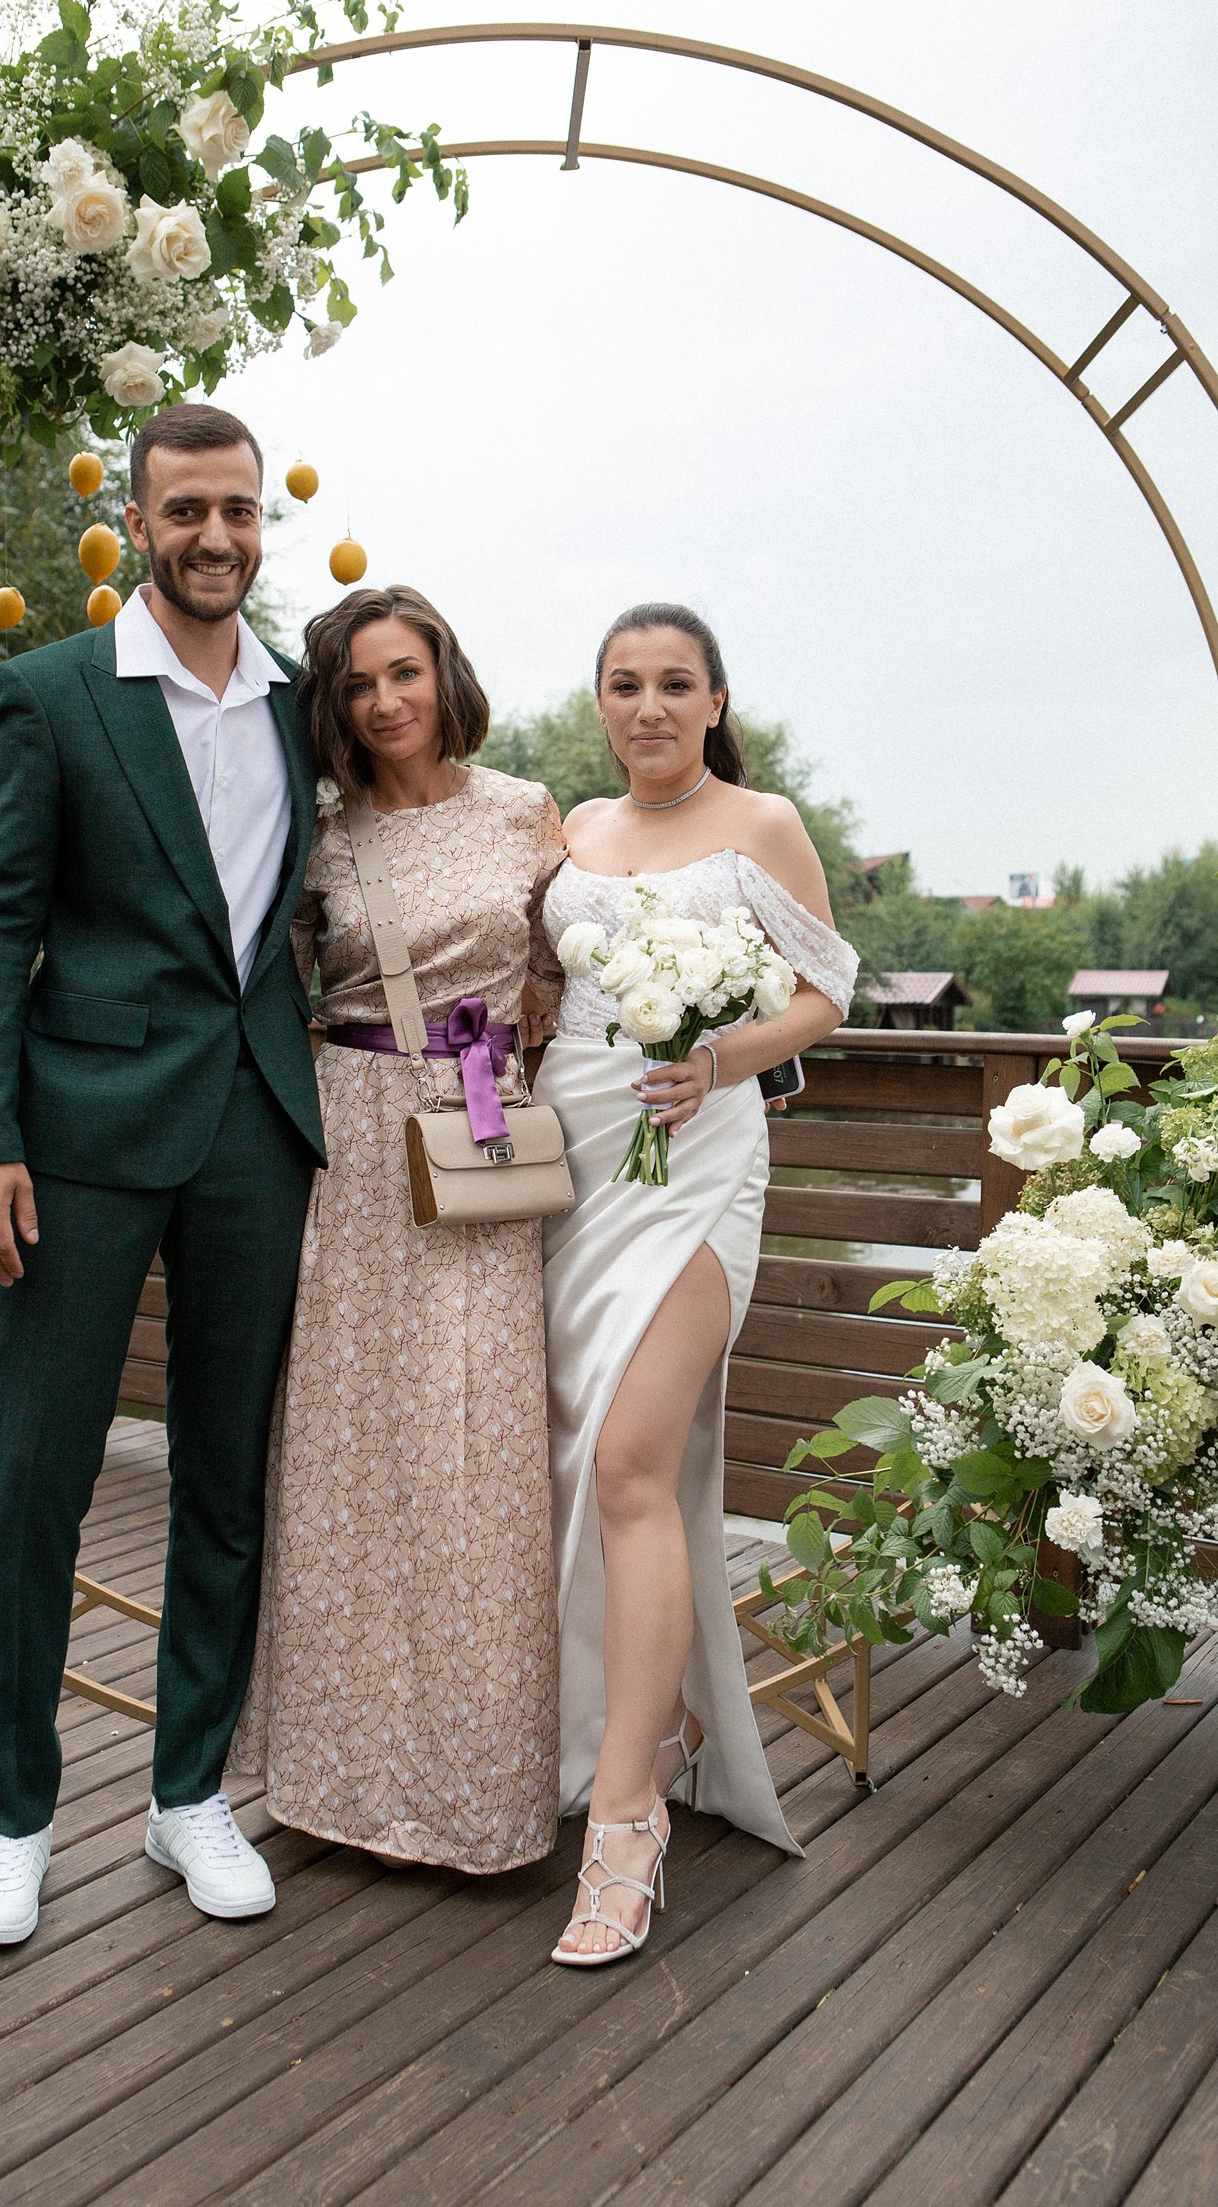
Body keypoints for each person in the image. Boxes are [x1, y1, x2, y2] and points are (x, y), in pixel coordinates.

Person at [0, 404, 325, 1946]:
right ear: (138, 525)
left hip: (255, 1131)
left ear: (261, 523)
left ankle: (187, 1792)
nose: (216, 535)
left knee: (225, 1477)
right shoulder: (49, 695)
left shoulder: (300, 705)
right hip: (77, 1136)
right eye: (188, 511)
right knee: (40, 1475)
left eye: (239, 510)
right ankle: (14, 1820)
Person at [534, 602, 859, 1965]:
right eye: (626, 684)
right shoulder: (572, 831)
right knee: (585, 1461)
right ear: (602, 703)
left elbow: (826, 990)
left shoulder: (762, 824)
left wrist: (722, 1058)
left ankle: (626, 1828)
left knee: (630, 1460)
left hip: (699, 1163)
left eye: (677, 683)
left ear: (716, 700)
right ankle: (647, 1724)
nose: (650, 706)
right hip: (575, 1155)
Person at [232, 585, 566, 1873]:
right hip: (356, 1146)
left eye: (404, 673)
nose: (385, 703)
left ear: (445, 675)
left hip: (483, 1140)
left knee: (476, 1450)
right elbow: (270, 989)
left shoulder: (525, 811)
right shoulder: (321, 836)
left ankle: (481, 1787)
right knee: (349, 1454)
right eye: (359, 685)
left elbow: (566, 971)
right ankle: (339, 1778)